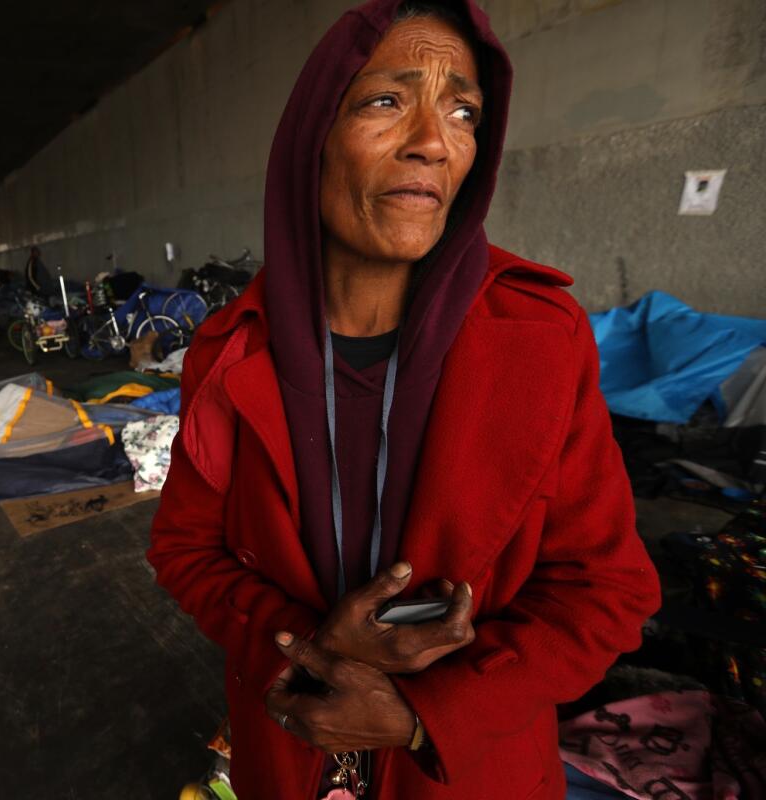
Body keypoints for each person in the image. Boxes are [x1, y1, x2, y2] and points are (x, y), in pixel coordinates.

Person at [146, 1, 660, 798]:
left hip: (467, 773)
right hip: (289, 753)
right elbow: (184, 550)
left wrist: (425, 715)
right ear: (312, 137)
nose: (433, 140)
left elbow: (609, 589)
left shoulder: (540, 337)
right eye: (387, 101)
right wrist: (311, 649)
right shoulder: (228, 354)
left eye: (464, 112)